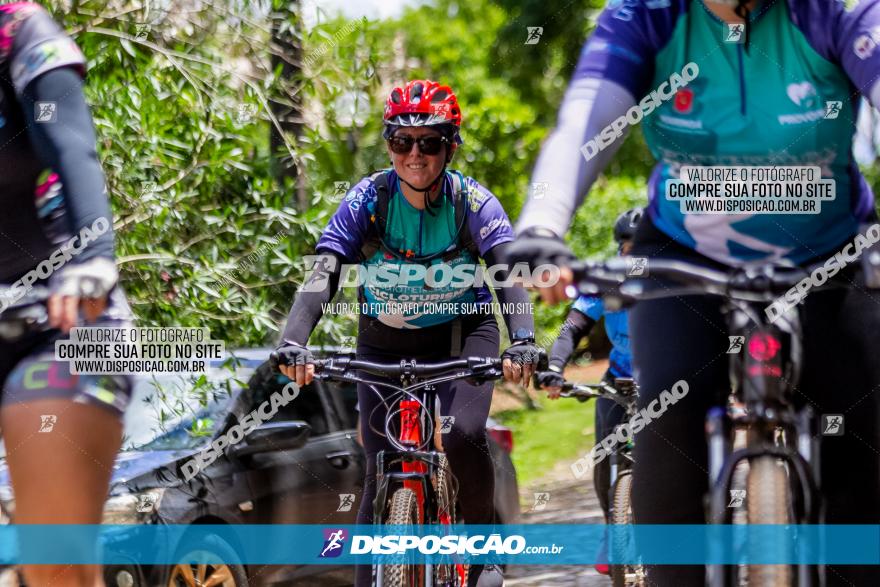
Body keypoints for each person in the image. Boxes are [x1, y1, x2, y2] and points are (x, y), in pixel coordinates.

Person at [506, 1, 880, 585]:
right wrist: (540, 227)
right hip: (686, 252)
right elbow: (583, 122)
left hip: (830, 250)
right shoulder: (647, 17)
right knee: (669, 419)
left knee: (858, 434)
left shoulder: (835, 9)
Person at [273, 79, 539, 587]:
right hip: (384, 338)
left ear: (450, 146)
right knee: (378, 465)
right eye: (401, 141)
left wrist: (523, 338)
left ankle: (483, 549)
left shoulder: (473, 203)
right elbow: (324, 269)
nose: (414, 154)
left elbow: (507, 275)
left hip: (464, 335)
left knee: (462, 435)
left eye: (430, 142)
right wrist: (294, 339)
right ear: (389, 144)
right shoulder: (368, 199)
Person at [0, 3, 134, 586]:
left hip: (64, 322)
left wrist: (93, 262)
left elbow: (70, 146)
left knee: (55, 567)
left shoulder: (19, 32)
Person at [535, 208, 639, 576]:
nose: (635, 255)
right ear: (619, 250)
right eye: (628, 248)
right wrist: (554, 369)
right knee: (603, 463)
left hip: (667, 381)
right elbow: (573, 327)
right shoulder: (608, 280)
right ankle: (614, 527)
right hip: (620, 381)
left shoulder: (673, 279)